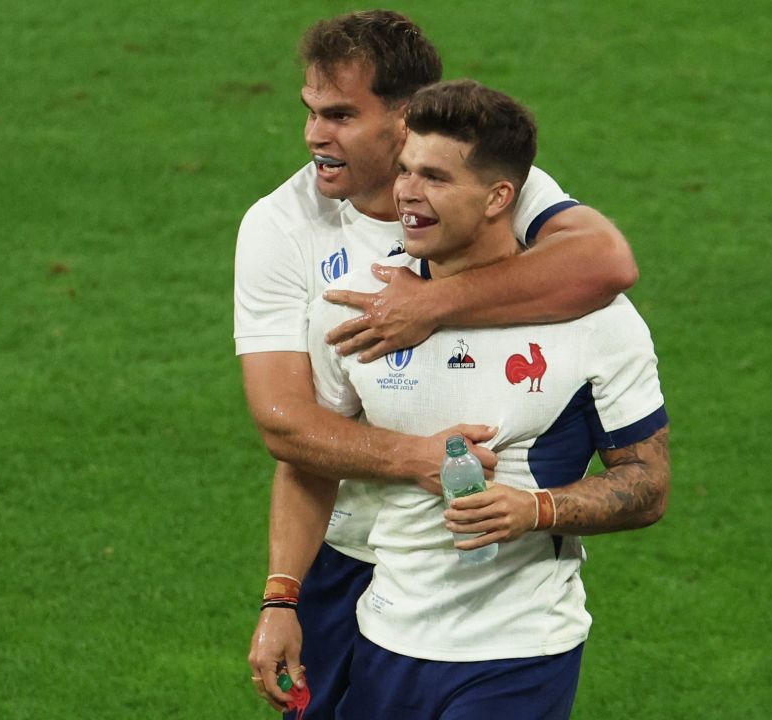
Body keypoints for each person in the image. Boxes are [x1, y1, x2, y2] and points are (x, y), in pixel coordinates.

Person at [235, 11, 639, 716]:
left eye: (338, 115)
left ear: (404, 119)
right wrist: (282, 591)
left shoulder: (488, 183)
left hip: (490, 589)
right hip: (348, 551)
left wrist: (434, 303)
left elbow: (607, 262)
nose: (312, 138)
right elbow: (286, 428)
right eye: (310, 113)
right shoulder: (280, 225)